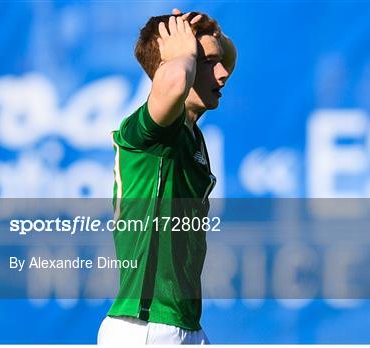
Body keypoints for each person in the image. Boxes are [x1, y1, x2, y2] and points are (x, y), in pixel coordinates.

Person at [97, 9, 236, 345]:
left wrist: (209, 32)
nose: (223, 74)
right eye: (208, 63)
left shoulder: (190, 135)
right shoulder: (150, 133)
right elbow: (173, 82)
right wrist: (184, 53)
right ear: (175, 63)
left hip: (181, 326)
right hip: (145, 329)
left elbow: (227, 58)